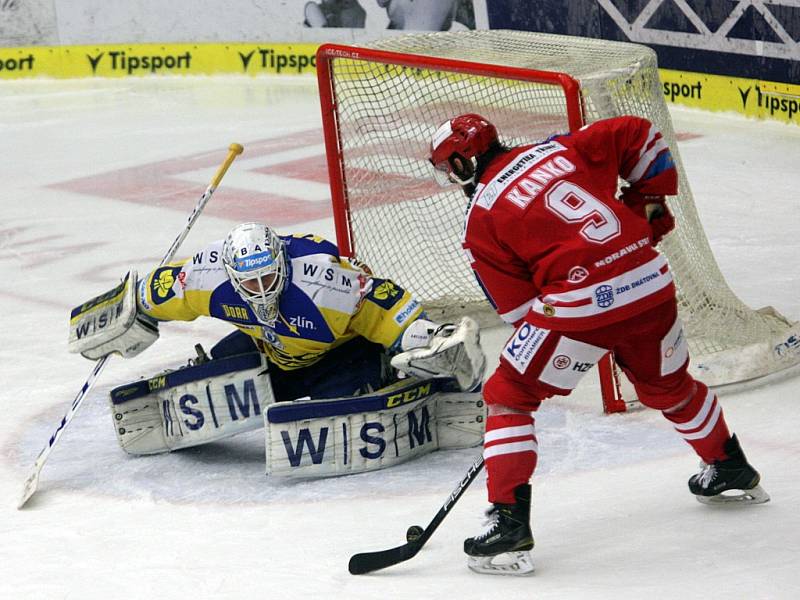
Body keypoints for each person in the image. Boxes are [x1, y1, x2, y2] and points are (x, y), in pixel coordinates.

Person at [427, 113, 769, 575]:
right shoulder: (558, 148)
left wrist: (580, 339)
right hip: (650, 280)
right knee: (667, 386)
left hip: (581, 305)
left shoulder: (480, 220)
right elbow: (637, 132)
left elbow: (519, 313)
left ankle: (508, 524)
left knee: (508, 395)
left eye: (449, 169)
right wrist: (646, 198)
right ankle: (729, 466)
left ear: (464, 164)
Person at [133, 222, 478, 403]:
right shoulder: (207, 279)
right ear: (233, 277)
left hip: (340, 353)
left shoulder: (324, 284)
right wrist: (131, 309)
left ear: (281, 265)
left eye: (267, 277)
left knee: (346, 398)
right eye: (250, 283)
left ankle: (381, 368)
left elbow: (383, 305)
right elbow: (156, 290)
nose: (262, 290)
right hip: (272, 349)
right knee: (213, 371)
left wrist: (426, 337)